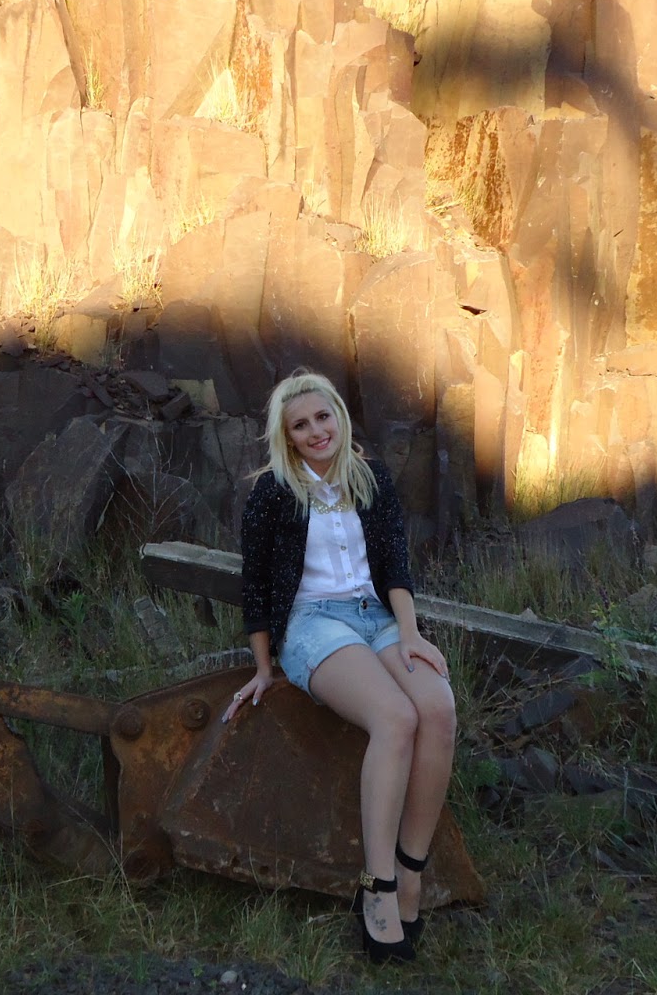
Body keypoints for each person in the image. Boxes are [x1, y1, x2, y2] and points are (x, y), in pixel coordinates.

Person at [222, 371, 456, 964]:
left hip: (377, 617)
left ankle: (411, 870)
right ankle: (378, 888)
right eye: (301, 425)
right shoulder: (273, 493)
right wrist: (263, 666)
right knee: (396, 717)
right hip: (312, 623)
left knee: (437, 708)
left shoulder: (369, 477)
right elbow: (256, 586)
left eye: (322, 417)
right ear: (287, 436)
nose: (316, 431)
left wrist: (410, 634)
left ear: (339, 417)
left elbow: (394, 563)